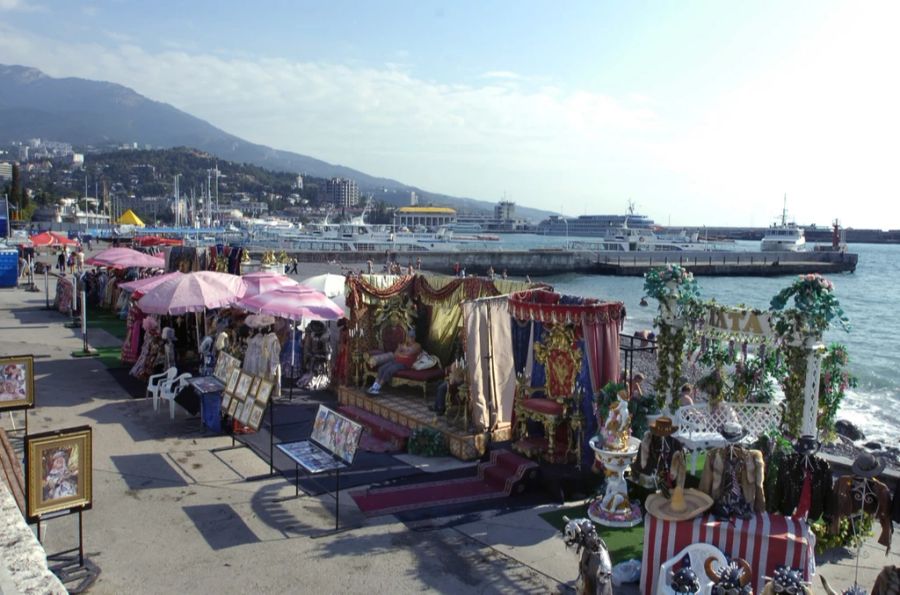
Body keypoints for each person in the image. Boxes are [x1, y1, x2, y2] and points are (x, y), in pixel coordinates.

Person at [367, 329, 422, 395]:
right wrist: (403, 351)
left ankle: (377, 388)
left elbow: (408, 354)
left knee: (389, 370)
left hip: (405, 364)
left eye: (411, 337)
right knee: (381, 368)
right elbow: (396, 354)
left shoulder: (417, 345)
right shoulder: (404, 344)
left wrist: (402, 351)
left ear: (414, 337)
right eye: (409, 336)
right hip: (396, 360)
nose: (410, 338)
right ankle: (374, 386)